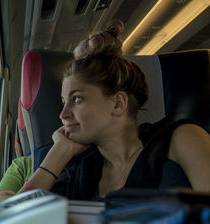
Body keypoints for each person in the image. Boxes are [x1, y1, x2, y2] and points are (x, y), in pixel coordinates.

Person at [16, 20, 210, 200]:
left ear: (118, 103)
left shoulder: (180, 138)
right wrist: (58, 152)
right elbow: (16, 223)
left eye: (76, 99)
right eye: (63, 101)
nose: (63, 114)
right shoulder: (82, 172)